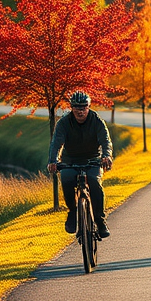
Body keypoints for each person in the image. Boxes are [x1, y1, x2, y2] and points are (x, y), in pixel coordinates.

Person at [47, 91, 114, 238]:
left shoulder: (96, 120)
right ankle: (72, 212)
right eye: (77, 107)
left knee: (95, 183)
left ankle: (100, 220)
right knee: (66, 179)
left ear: (89, 107)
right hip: (70, 160)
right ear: (71, 108)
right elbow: (56, 143)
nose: (80, 110)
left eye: (84, 107)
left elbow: (105, 141)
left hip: (93, 159)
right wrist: (53, 160)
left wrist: (106, 156)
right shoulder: (63, 123)